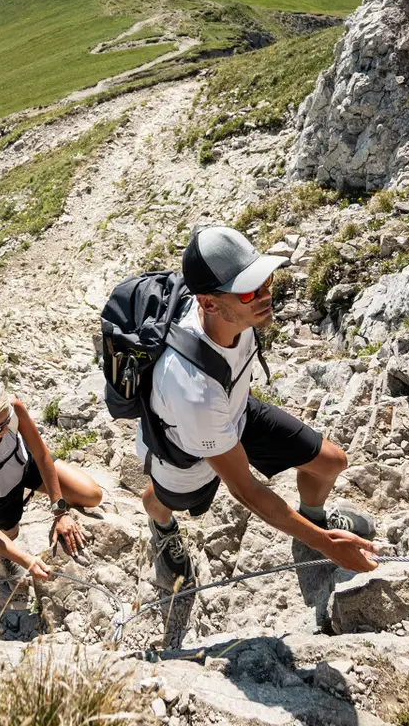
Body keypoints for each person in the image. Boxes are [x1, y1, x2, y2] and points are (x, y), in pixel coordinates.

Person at [137, 224, 379, 588]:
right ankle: (162, 527)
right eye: (249, 291)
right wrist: (327, 546)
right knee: (166, 498)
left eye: (264, 282)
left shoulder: (235, 314)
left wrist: (313, 533)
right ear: (209, 303)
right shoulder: (192, 388)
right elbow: (245, 489)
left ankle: (312, 517)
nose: (265, 295)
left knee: (331, 463)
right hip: (184, 449)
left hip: (234, 410)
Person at [0, 378, 103, 583]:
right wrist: (27, 561)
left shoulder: (14, 408)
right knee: (8, 535)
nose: (5, 430)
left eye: (7, 421)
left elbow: (41, 455)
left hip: (24, 464)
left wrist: (60, 511)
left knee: (91, 495)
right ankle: (0, 556)